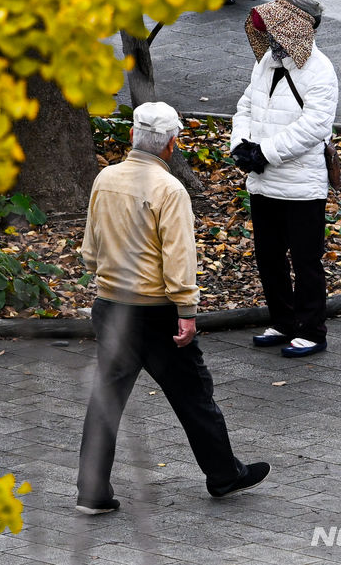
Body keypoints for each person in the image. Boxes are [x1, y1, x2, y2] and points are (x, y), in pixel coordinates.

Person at [76, 101, 270, 515]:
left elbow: (90, 250)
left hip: (110, 307)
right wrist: (186, 310)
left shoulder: (105, 178)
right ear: (171, 146)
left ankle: (92, 491)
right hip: (156, 311)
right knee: (193, 395)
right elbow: (179, 256)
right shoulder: (169, 190)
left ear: (132, 136)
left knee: (106, 400)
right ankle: (223, 474)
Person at [230, 0, 339, 358]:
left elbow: (315, 126)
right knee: (269, 256)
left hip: (301, 186)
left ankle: (312, 329)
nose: (270, 37)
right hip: (264, 181)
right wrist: (240, 144)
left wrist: (265, 152)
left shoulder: (320, 70)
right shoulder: (265, 63)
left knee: (306, 260)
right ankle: (283, 321)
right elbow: (246, 104)